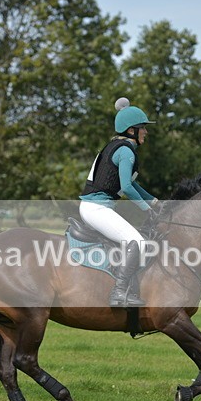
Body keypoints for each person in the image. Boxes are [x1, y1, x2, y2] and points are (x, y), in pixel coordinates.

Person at [79, 97, 159, 307]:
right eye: (143, 128)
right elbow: (127, 188)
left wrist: (156, 203)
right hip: (96, 208)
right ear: (132, 130)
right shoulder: (125, 151)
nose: (146, 132)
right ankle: (119, 293)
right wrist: (147, 209)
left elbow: (134, 185)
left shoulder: (116, 147)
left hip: (97, 207)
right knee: (137, 242)